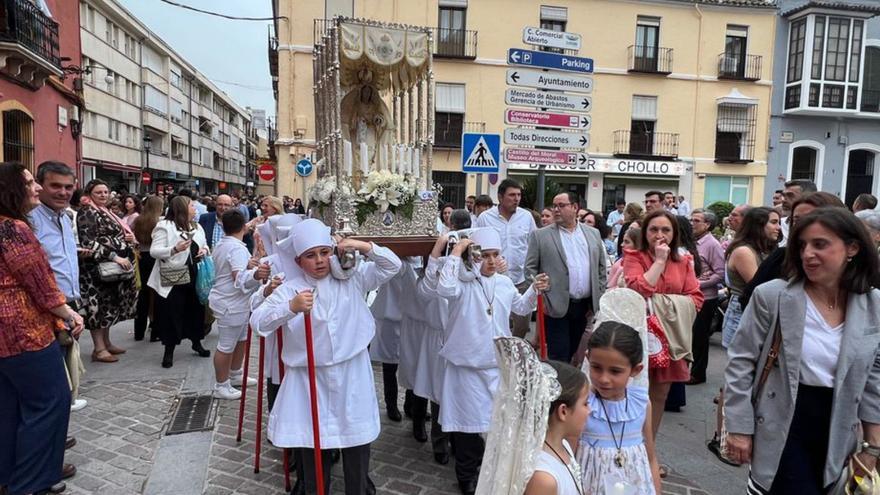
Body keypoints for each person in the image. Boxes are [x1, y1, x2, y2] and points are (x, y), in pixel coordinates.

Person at [724, 207, 880, 494]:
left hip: (839, 423)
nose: (808, 253)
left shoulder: (873, 305)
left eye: (820, 244)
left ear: (852, 248)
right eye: (802, 245)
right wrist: (739, 427)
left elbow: (873, 377)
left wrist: (873, 445)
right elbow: (741, 362)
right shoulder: (773, 296)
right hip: (782, 416)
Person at [249, 219, 402, 494]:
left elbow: (392, 265)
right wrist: (290, 308)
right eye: (310, 255)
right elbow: (258, 322)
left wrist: (361, 245)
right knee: (312, 445)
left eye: (324, 252)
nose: (319, 261)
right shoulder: (290, 288)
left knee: (356, 442)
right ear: (298, 260)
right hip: (310, 380)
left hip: (351, 375)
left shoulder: (353, 277)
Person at [437, 228, 548, 495]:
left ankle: (488, 471)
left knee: (494, 424)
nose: (489, 261)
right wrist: (456, 253)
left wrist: (534, 289)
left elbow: (521, 308)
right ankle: (466, 476)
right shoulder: (461, 282)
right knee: (466, 428)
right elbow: (444, 288)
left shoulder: (504, 283)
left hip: (496, 366)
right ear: (472, 256)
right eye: (483, 255)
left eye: (494, 255)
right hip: (465, 367)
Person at [0, 162, 84, 495]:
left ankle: (9, 477)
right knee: (51, 401)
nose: (35, 187)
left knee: (10, 407)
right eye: (30, 182)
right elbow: (38, 281)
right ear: (11, 189)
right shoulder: (14, 228)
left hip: (8, 337)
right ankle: (31, 482)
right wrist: (69, 314)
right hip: (24, 332)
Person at [623, 209, 703, 476]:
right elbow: (636, 290)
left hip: (669, 340)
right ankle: (625, 449)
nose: (659, 235)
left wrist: (662, 305)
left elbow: (696, 297)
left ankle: (648, 454)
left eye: (665, 230)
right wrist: (658, 262)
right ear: (645, 232)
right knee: (633, 394)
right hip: (638, 339)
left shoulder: (685, 261)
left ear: (674, 233)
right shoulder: (634, 257)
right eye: (654, 229)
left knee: (658, 397)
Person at [30, 161, 87, 416]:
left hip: (68, 304)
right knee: (50, 380)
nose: (63, 192)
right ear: (40, 186)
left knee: (67, 367)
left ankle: (60, 422)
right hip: (46, 308)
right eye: (55, 186)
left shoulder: (66, 216)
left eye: (68, 187)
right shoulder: (29, 221)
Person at [578, 321, 661, 494]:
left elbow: (650, 456)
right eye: (596, 368)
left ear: (635, 370)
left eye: (615, 371)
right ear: (588, 359)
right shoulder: (582, 403)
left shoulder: (641, 403)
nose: (604, 379)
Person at [526, 192, 607, 363]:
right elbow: (530, 269)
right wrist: (542, 292)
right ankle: (560, 387)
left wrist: (597, 295)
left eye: (561, 205)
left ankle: (566, 384)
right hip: (555, 305)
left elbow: (600, 268)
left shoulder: (593, 234)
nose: (556, 210)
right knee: (558, 354)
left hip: (584, 306)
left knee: (572, 351)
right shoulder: (541, 236)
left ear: (575, 207)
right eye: (554, 206)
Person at [739, 192, 846, 310]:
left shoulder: (860, 290)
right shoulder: (781, 258)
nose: (802, 225)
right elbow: (749, 299)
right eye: (796, 219)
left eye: (811, 218)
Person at [76, 179, 137, 363]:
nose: (103, 195)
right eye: (98, 192)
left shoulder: (106, 211)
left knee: (109, 307)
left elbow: (113, 234)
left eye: (105, 192)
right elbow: (89, 242)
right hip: (96, 269)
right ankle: (99, 348)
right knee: (98, 308)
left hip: (112, 270)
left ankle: (107, 342)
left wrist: (128, 238)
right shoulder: (87, 211)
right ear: (90, 194)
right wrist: (114, 256)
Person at [148, 195, 211, 368]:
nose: (195, 208)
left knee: (196, 311)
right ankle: (169, 351)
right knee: (172, 313)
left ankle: (196, 342)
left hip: (194, 275)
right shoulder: (165, 226)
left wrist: (204, 250)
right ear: (182, 208)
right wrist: (174, 249)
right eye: (191, 205)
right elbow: (154, 251)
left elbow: (205, 244)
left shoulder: (197, 227)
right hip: (173, 276)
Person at [209, 209, 265, 400]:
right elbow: (239, 278)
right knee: (226, 345)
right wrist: (256, 274)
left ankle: (235, 374)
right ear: (243, 226)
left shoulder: (224, 244)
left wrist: (252, 263)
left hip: (233, 302)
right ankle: (221, 385)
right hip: (230, 302)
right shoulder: (236, 248)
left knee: (241, 339)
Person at [476, 179, 538, 339]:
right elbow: (476, 247)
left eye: (518, 195)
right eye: (512, 195)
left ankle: (513, 353)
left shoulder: (526, 217)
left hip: (521, 279)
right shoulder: (485, 218)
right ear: (500, 197)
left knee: (522, 326)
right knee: (495, 321)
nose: (516, 199)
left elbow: (534, 245)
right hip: (494, 279)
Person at [524, 361, 589, 495]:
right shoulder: (543, 478)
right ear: (563, 411)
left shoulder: (564, 445)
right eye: (585, 403)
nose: (590, 410)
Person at [721, 207, 780, 349]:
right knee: (742, 365)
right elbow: (760, 287)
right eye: (773, 222)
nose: (778, 227)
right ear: (759, 225)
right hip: (742, 311)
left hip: (756, 311)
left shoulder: (764, 249)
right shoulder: (744, 251)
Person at [688, 209, 725, 385]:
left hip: (706, 297)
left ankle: (698, 373)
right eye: (691, 220)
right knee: (691, 336)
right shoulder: (694, 242)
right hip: (691, 296)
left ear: (707, 224)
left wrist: (698, 284)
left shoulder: (712, 244)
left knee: (700, 337)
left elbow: (720, 273)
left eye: (696, 220)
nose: (692, 223)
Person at [132, 196, 164, 341]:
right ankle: (155, 330)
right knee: (156, 294)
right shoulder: (159, 222)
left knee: (142, 295)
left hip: (140, 258)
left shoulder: (137, 220)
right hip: (155, 258)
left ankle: (138, 331)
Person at [779, 178, 817, 246]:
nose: (783, 200)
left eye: (790, 195)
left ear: (808, 197)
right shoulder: (778, 224)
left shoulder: (821, 225)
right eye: (783, 195)